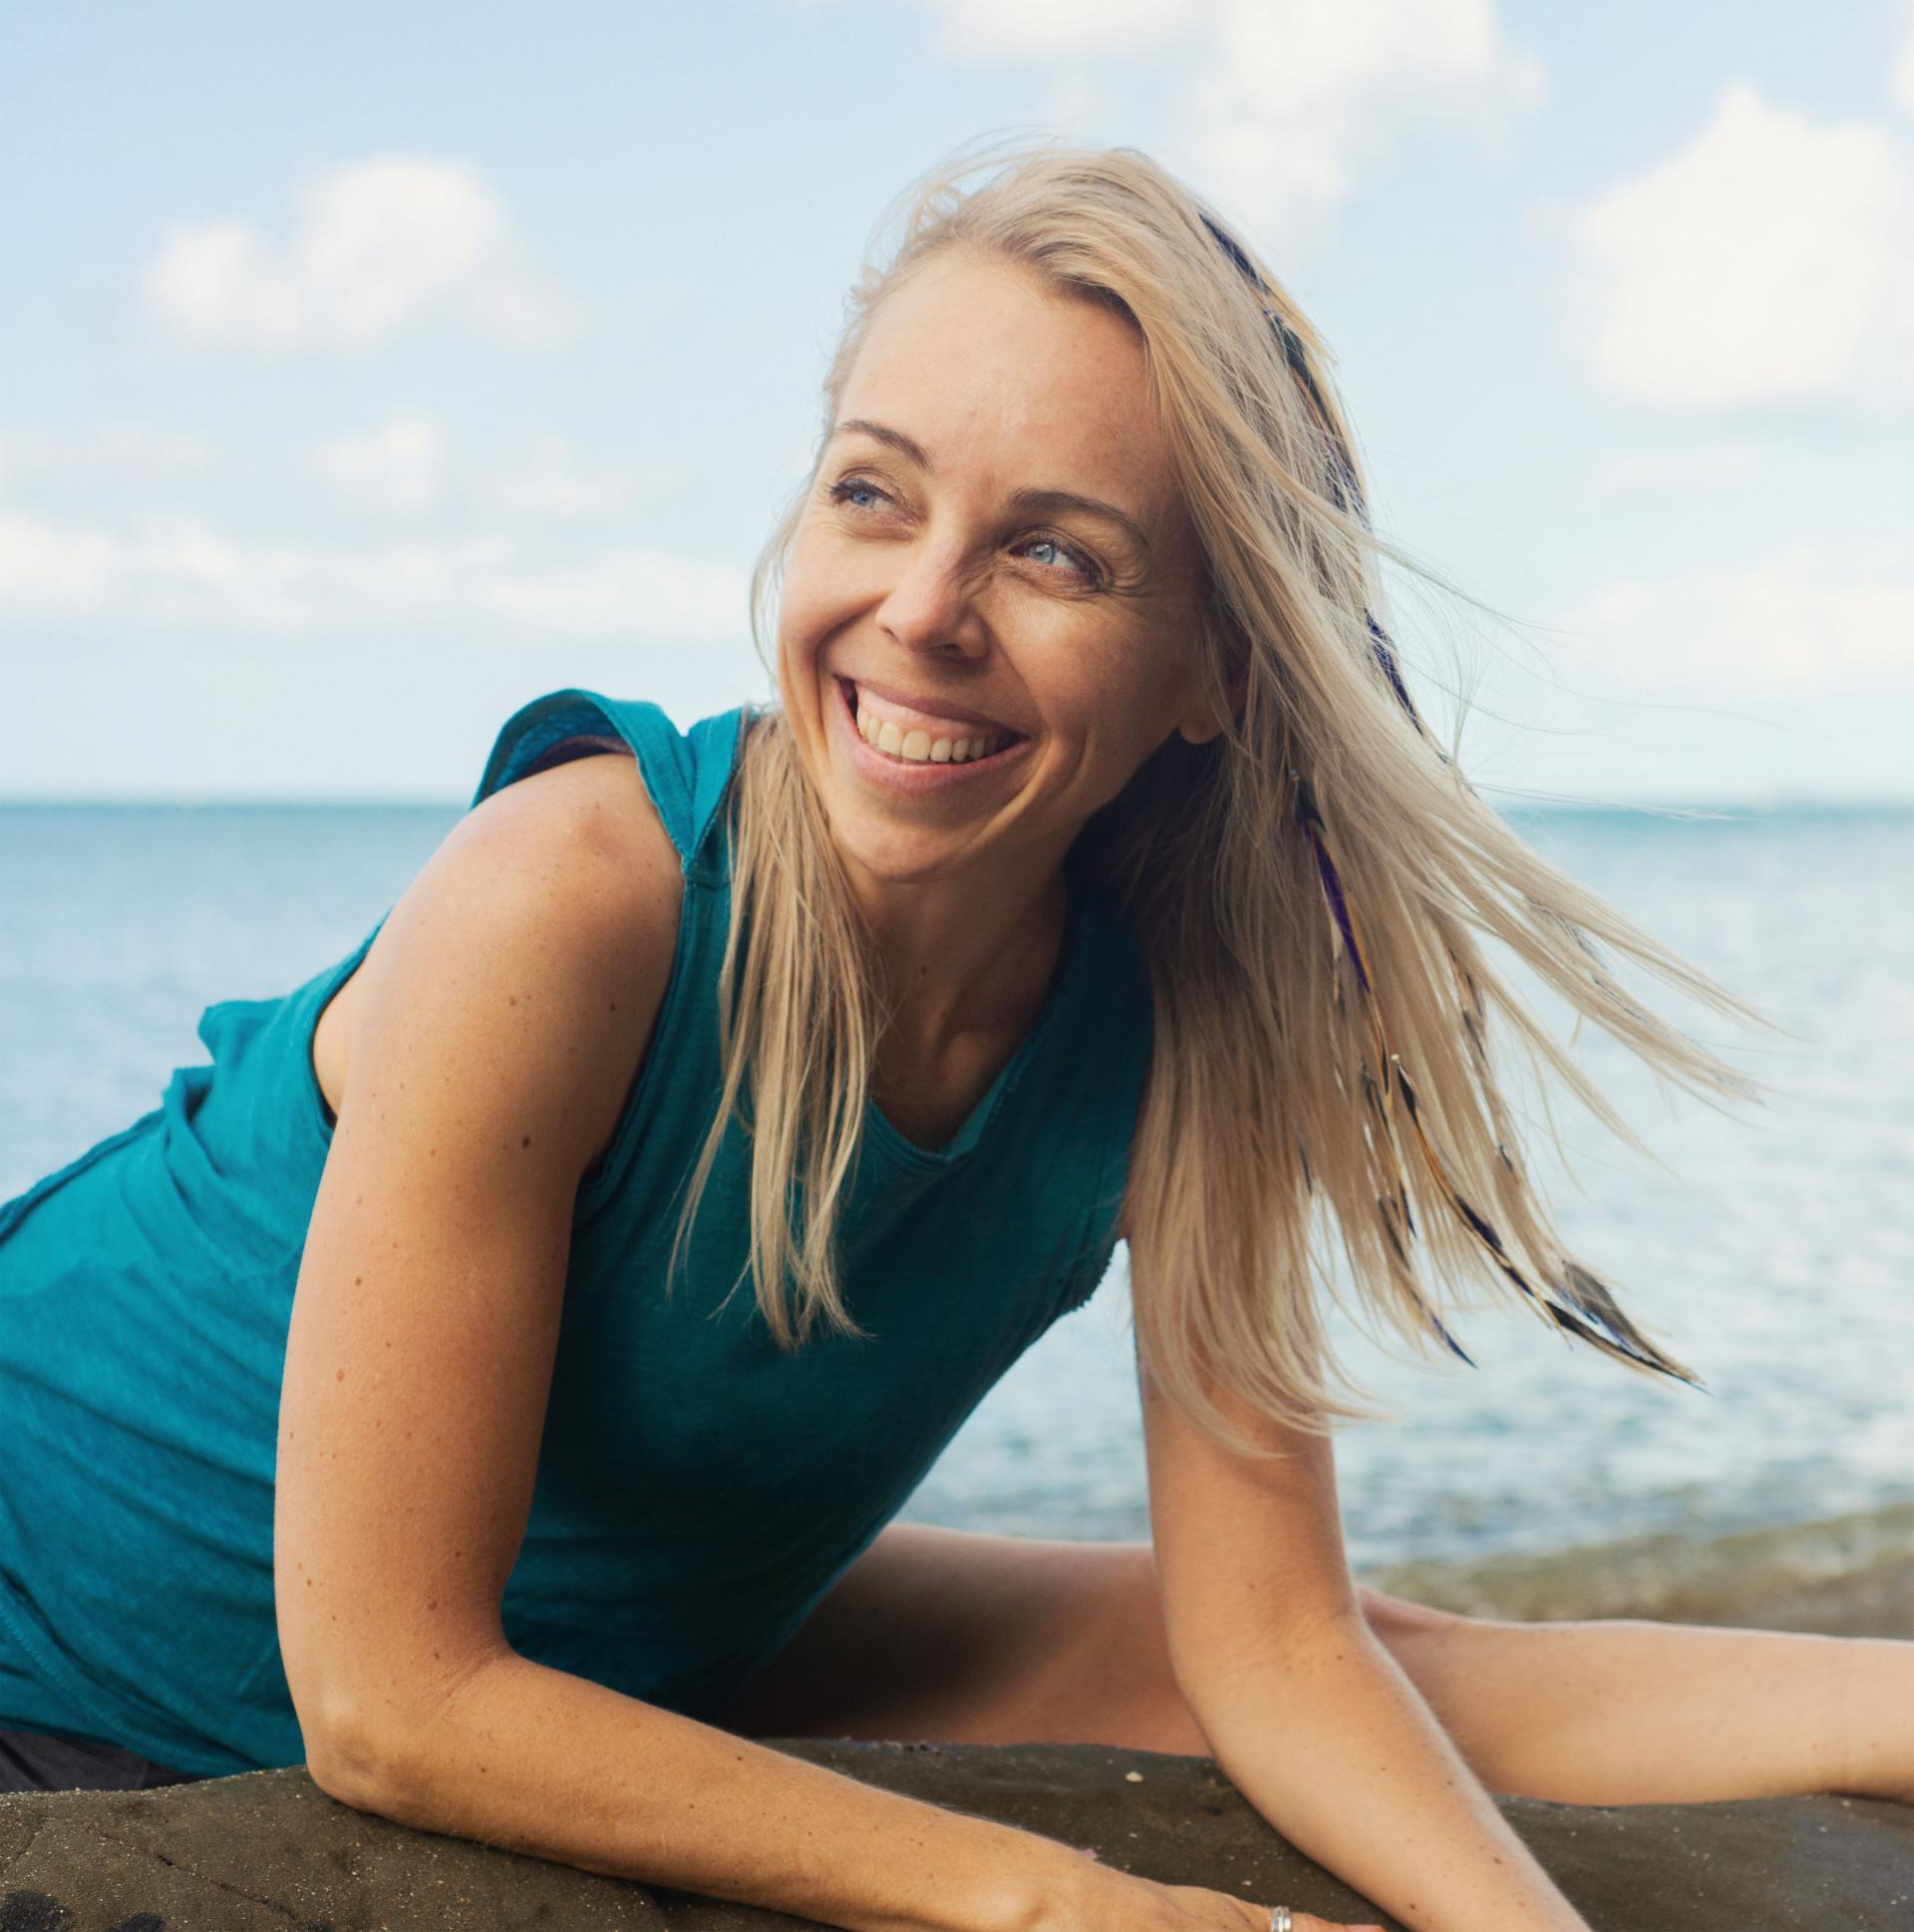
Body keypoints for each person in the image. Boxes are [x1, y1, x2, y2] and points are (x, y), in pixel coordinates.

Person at [1, 133, 1907, 1932]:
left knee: (1320, 1641)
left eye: (1056, 554)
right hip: (88, 1640)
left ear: (1216, 673)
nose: (921, 610)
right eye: (873, 492)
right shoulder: (570, 898)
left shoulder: (1186, 1025)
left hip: (637, 1614)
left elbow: (1281, 1653)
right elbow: (391, 1698)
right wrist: (1052, 1896)